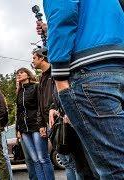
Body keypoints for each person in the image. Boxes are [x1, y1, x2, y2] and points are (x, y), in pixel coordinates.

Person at [40, 1, 124, 178]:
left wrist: (60, 75)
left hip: (88, 71)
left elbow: (62, 12)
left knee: (113, 169)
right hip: (116, 63)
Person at [15, 68, 54, 180]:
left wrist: (41, 124)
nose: (19, 74)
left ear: (28, 74)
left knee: (43, 158)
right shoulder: (19, 91)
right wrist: (18, 129)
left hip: (36, 126)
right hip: (24, 129)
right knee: (35, 160)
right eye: (17, 74)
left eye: (21, 72)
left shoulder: (36, 87)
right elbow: (19, 111)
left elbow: (40, 107)